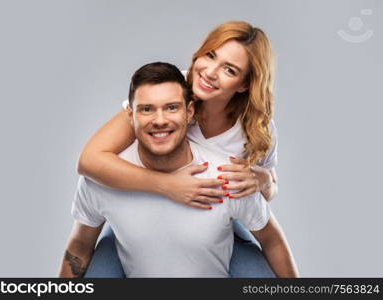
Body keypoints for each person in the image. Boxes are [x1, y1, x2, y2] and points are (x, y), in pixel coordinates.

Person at [78, 21, 280, 277]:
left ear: (244, 84)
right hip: (137, 214)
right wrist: (167, 185)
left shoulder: (256, 126)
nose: (209, 72)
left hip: (213, 222)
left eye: (229, 69)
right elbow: (89, 160)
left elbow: (270, 188)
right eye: (210, 55)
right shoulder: (169, 94)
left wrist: (262, 179)